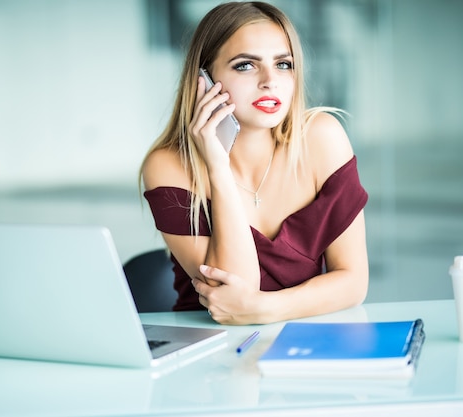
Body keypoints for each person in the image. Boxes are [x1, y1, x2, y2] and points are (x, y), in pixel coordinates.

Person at [140, 1, 368, 325]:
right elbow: (233, 296)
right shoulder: (168, 165)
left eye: (284, 64)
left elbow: (353, 282)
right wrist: (218, 168)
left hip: (303, 347)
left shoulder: (322, 138)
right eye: (245, 65)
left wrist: (267, 308)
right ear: (203, 79)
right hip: (209, 353)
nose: (269, 81)